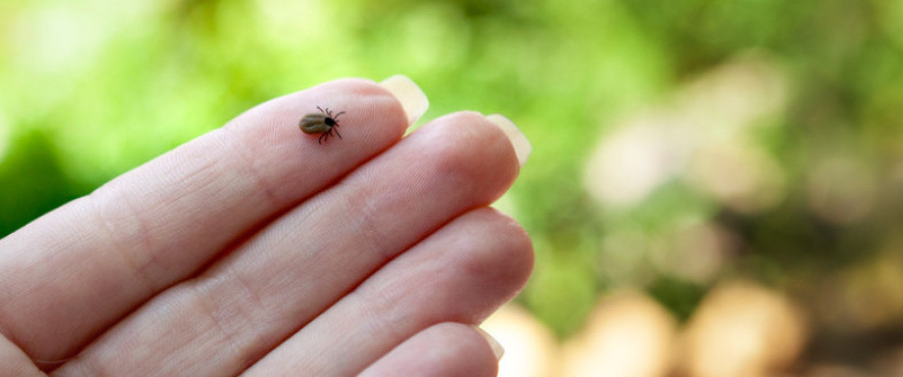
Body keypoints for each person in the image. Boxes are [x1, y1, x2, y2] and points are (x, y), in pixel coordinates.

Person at [0, 76, 533, 376]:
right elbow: (316, 126)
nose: (329, 125)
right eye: (330, 124)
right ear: (327, 125)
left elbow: (317, 125)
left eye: (329, 124)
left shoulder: (321, 125)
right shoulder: (320, 127)